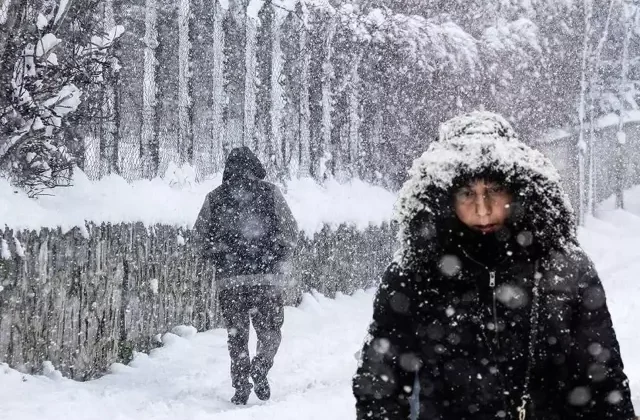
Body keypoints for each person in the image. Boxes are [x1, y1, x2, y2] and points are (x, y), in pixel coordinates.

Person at [353, 112, 636, 420]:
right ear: (444, 198)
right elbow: (380, 388)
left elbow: (604, 383)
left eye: (494, 190)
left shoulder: (565, 267)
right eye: (467, 193)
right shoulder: (414, 275)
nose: (483, 209)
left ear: (517, 190)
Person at [194, 146, 298, 405]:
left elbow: (198, 239)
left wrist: (218, 254)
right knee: (270, 331)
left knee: (237, 335)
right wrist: (278, 255)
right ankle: (261, 366)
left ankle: (241, 385)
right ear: (256, 166)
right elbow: (291, 231)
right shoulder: (270, 192)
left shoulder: (214, 198)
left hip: (230, 281)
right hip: (267, 279)